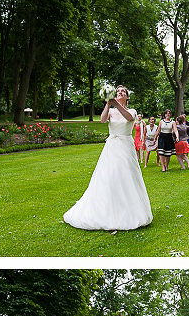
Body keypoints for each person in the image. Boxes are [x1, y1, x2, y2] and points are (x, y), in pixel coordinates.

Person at [63, 87, 153, 231]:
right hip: (112, 146)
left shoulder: (132, 111)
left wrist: (116, 104)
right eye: (118, 91)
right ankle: (106, 210)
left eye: (123, 92)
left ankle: (130, 210)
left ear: (127, 97)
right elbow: (103, 120)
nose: (120, 93)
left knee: (126, 175)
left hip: (125, 145)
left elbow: (129, 119)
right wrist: (108, 104)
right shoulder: (111, 111)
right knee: (108, 175)